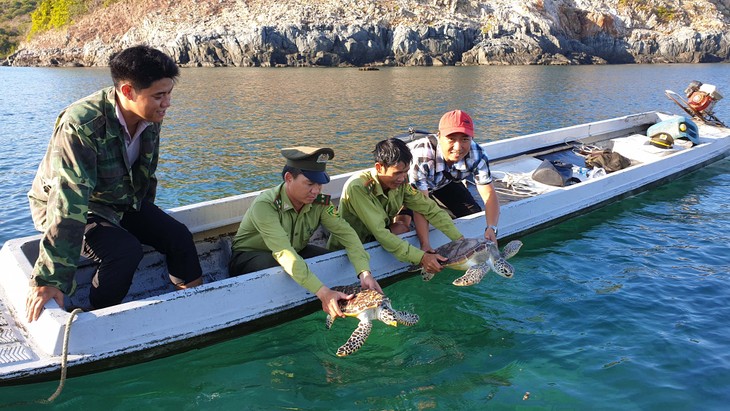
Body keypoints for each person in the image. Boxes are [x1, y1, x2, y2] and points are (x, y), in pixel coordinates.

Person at [25, 45, 203, 323]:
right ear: (128, 92)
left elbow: (146, 176)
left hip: (120, 199)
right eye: (159, 95)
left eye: (169, 93)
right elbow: (67, 200)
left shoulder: (150, 116)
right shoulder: (81, 125)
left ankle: (196, 306)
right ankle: (99, 319)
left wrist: (149, 221)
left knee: (177, 235)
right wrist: (50, 279)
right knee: (124, 250)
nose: (167, 103)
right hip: (74, 206)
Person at [229, 146, 382, 319]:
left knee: (334, 260)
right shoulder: (266, 205)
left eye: (319, 184)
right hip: (250, 256)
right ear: (288, 178)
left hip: (296, 251)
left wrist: (364, 272)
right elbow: (284, 253)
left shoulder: (320, 202)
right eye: (309, 184)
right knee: (281, 270)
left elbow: (347, 234)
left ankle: (332, 302)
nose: (316, 190)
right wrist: (322, 291)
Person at [328, 138, 463, 274]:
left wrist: (460, 240)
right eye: (397, 173)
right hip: (348, 246)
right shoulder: (358, 187)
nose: (403, 178)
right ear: (379, 167)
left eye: (406, 172)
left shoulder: (402, 183)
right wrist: (422, 257)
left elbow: (430, 209)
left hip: (375, 236)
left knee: (401, 228)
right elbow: (380, 232)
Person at [407, 110, 500, 251]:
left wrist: (491, 228)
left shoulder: (478, 154)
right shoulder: (422, 155)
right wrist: (425, 245)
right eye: (451, 139)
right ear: (439, 136)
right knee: (404, 225)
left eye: (465, 139)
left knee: (473, 215)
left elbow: (489, 195)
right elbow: (421, 206)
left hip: (442, 183)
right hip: (409, 187)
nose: (458, 147)